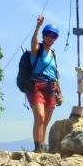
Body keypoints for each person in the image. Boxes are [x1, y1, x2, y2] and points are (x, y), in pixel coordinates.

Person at [27, 15, 63, 153]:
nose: (50, 37)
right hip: (37, 86)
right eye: (47, 34)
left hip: (51, 87)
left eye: (53, 36)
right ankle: (38, 147)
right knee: (40, 117)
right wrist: (38, 26)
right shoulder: (38, 50)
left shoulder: (54, 55)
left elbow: (56, 75)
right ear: (44, 35)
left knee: (46, 120)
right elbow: (33, 42)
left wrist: (60, 92)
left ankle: (41, 146)